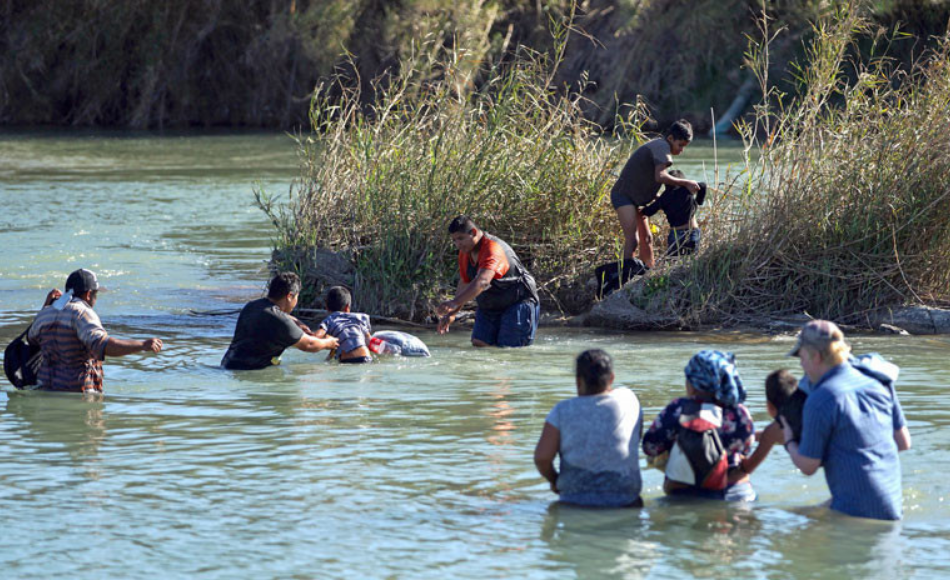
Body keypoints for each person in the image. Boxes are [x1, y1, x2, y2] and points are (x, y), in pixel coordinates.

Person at [781, 320, 911, 520]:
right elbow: (903, 443)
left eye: (802, 357)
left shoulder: (821, 399)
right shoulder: (878, 380)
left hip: (854, 517)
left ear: (815, 356)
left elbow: (808, 466)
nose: (801, 364)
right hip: (891, 507)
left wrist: (788, 437)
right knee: (810, 511)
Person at [642, 350, 757, 501]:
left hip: (684, 494)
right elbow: (746, 448)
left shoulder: (678, 408)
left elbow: (650, 447)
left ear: (694, 384)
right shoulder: (739, 412)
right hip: (737, 493)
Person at [534, 349, 644, 507]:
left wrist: (555, 481)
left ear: (578, 382)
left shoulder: (562, 410)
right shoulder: (629, 399)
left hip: (575, 499)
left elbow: (542, 458)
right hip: (625, 497)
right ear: (612, 378)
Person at [27, 268, 163, 393]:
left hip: (45, 389)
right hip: (77, 394)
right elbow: (103, 345)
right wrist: (142, 345)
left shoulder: (45, 313)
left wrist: (46, 306)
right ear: (88, 294)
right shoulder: (82, 313)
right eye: (95, 294)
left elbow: (31, 339)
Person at [436, 215, 540, 347]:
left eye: (460, 238)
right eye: (454, 240)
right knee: (479, 344)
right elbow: (465, 282)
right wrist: (453, 313)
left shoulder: (492, 249)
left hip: (518, 302)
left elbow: (483, 281)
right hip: (490, 303)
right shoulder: (465, 252)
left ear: (473, 233)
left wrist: (455, 302)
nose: (458, 244)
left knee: (509, 350)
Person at [610, 119, 701, 268]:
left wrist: (660, 199)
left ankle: (648, 272)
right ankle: (626, 275)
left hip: (639, 200)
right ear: (670, 138)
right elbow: (661, 177)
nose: (681, 150)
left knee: (647, 238)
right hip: (623, 196)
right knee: (633, 240)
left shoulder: (661, 146)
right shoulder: (662, 146)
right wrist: (686, 182)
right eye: (680, 145)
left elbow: (646, 178)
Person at [221, 272, 338, 370]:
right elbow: (309, 345)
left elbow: (276, 316)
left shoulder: (252, 306)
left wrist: (296, 322)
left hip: (228, 364)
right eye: (296, 297)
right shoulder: (280, 321)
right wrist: (329, 343)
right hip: (248, 371)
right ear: (289, 296)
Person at [737, 370, 799, 476]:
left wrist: (735, 454)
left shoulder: (773, 431)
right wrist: (744, 436)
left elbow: (748, 467)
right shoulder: (807, 414)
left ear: (769, 406)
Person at [641, 169, 707, 256]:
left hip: (675, 235)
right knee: (691, 262)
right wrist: (698, 201)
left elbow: (647, 212)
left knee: (673, 261)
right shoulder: (686, 190)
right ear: (682, 181)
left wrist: (650, 199)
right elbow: (703, 185)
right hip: (692, 232)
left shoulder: (664, 197)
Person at [314, 286, 373, 364]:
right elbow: (368, 340)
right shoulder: (359, 318)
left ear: (327, 307)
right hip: (366, 357)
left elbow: (316, 337)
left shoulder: (329, 320)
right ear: (347, 307)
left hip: (347, 360)